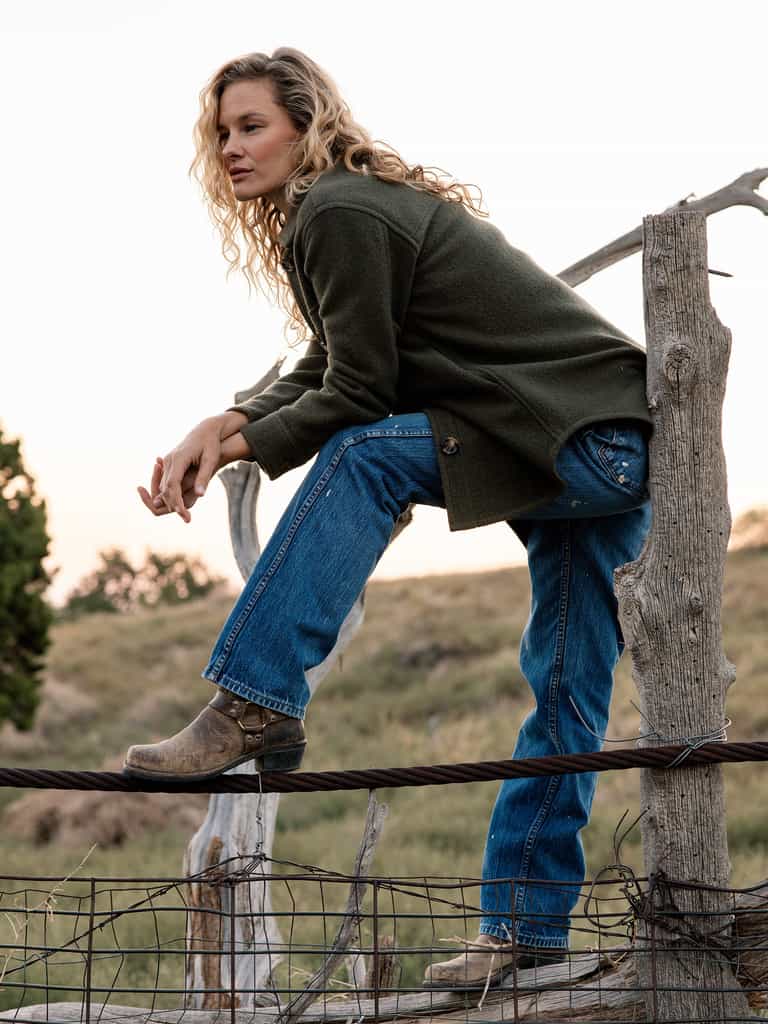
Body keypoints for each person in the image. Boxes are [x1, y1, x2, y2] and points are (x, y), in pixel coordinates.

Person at [122, 47, 653, 988]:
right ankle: (526, 926)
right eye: (221, 134)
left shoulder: (337, 208)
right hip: (584, 440)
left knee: (366, 456)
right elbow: (337, 358)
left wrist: (245, 445)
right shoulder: (341, 211)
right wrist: (233, 419)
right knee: (567, 684)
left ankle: (253, 704)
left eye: (251, 127)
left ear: (306, 123)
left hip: (580, 441)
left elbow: (360, 391)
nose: (233, 150)